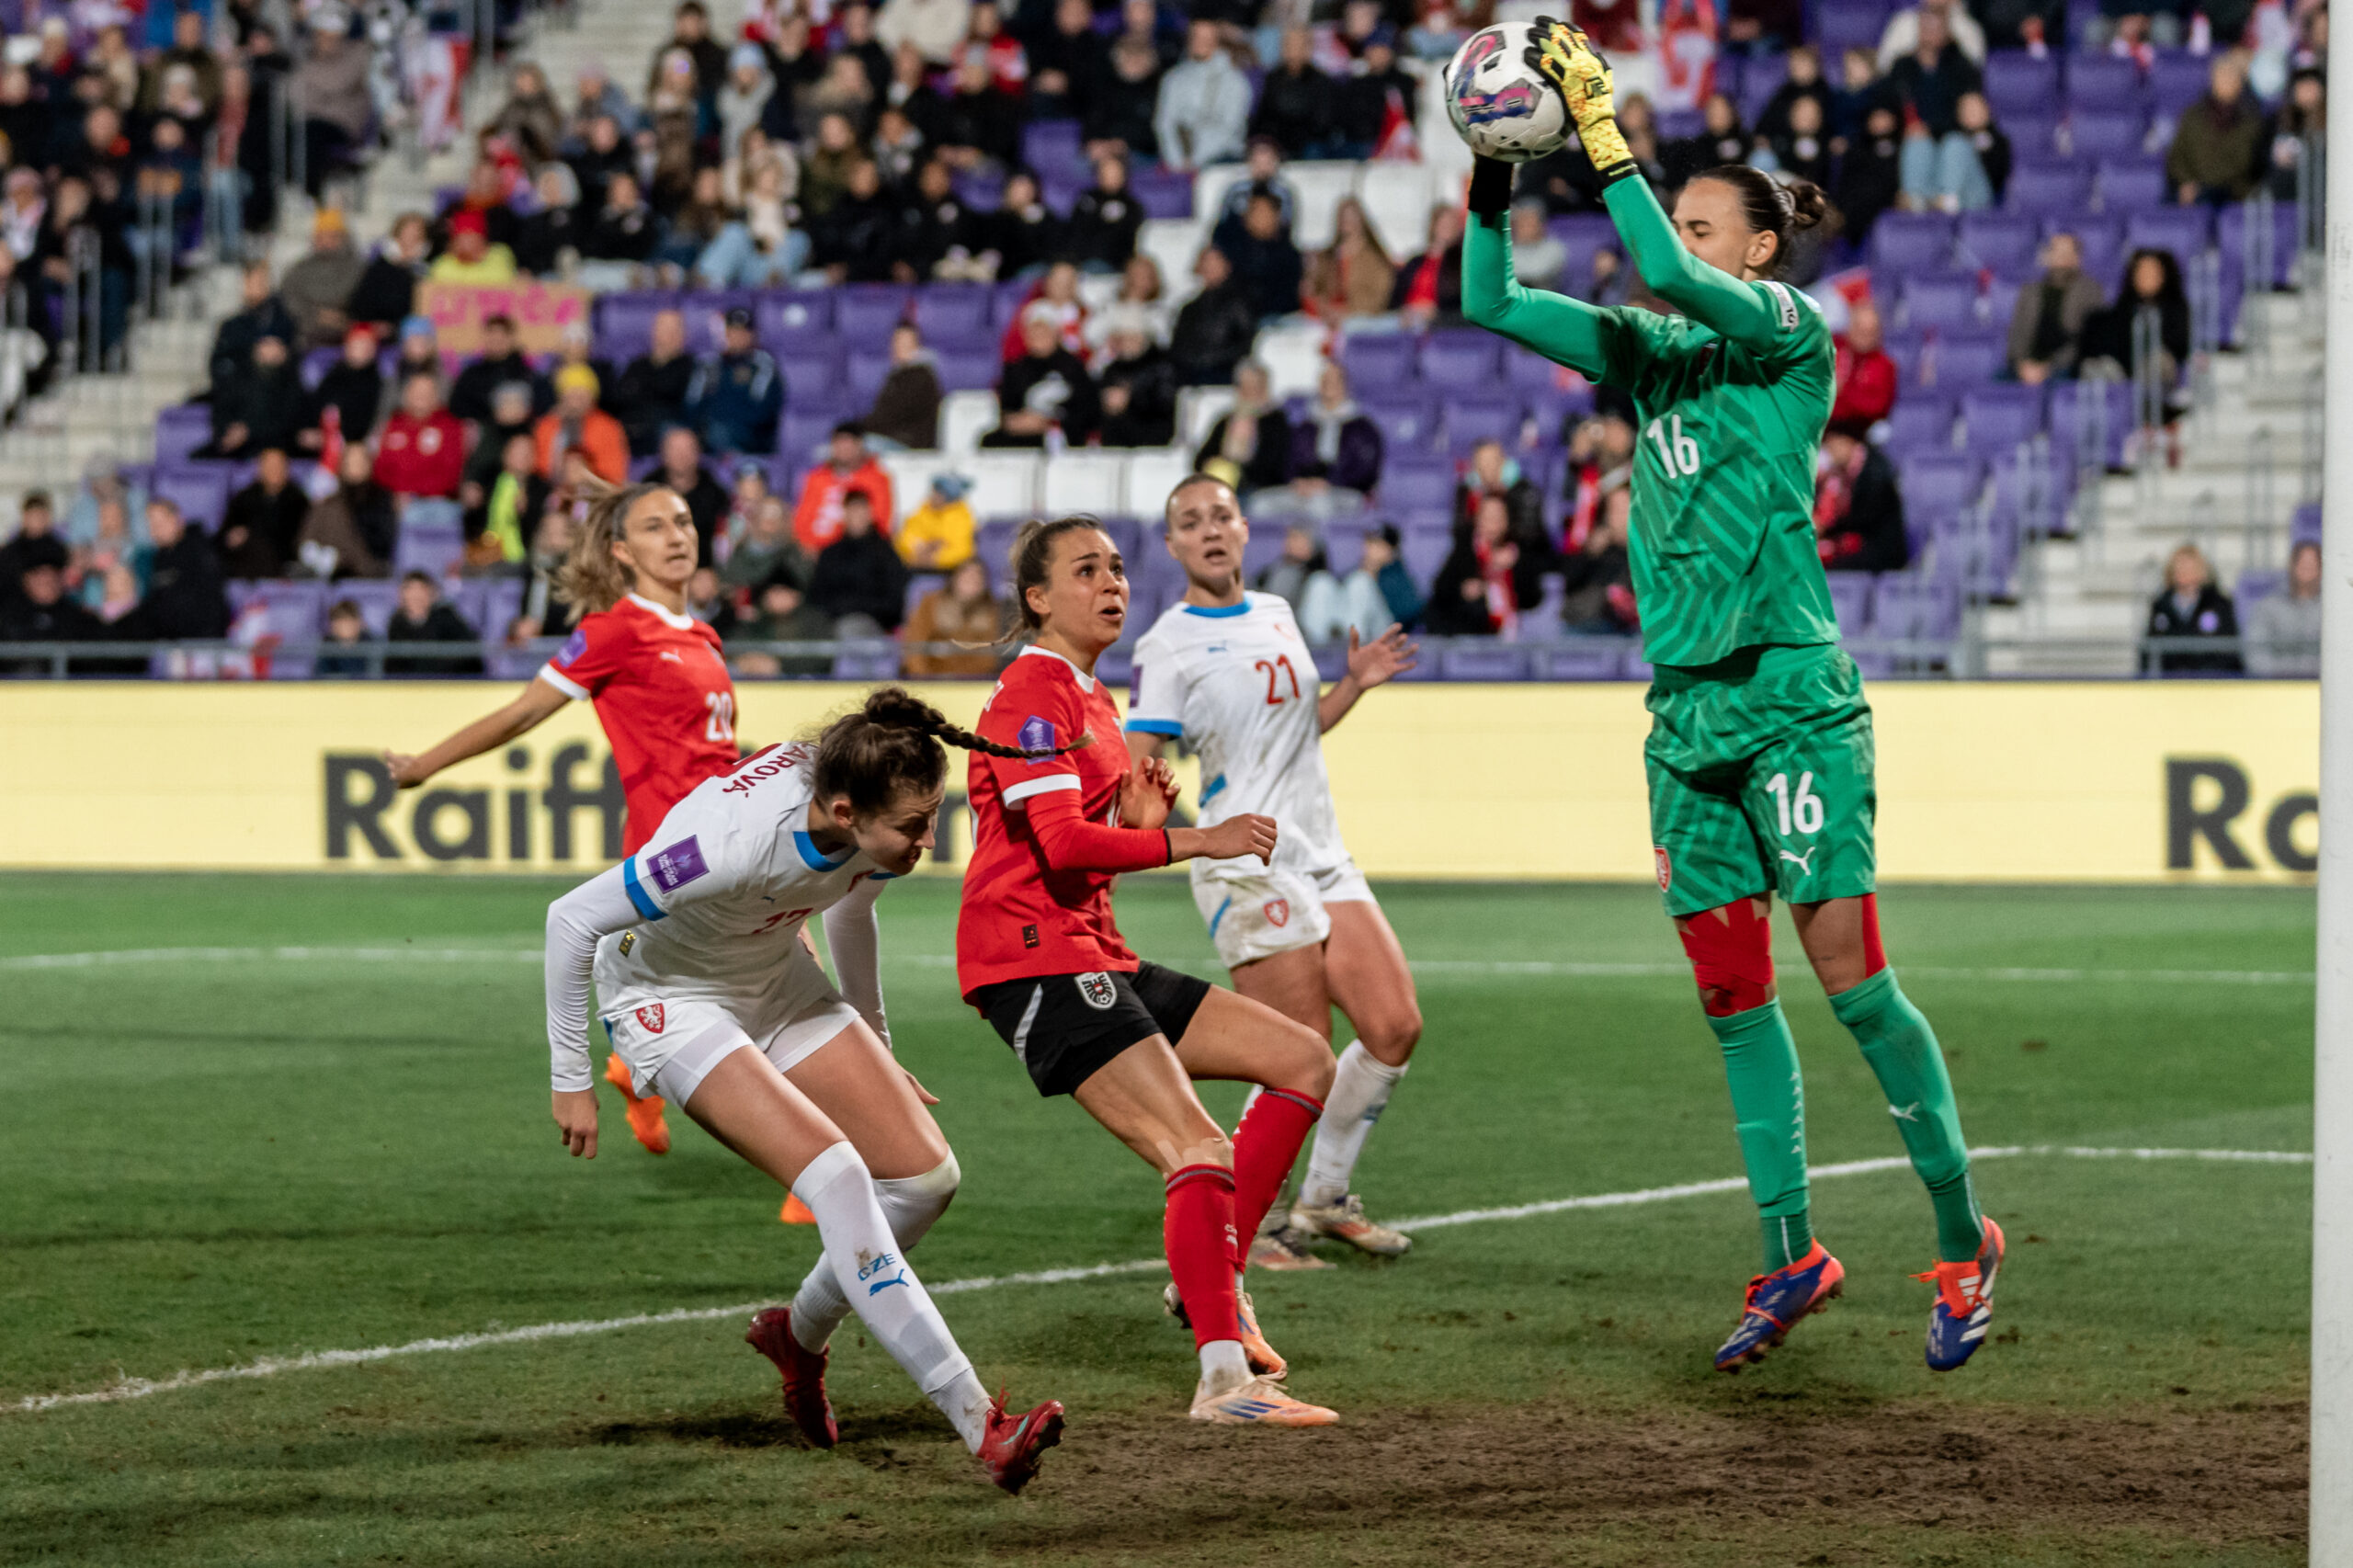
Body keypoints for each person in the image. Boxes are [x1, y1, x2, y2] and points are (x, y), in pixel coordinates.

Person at [1465, 24, 2003, 1373]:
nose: (1677, 245)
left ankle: (1962, 1234)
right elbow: (1489, 300)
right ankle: (1790, 1254)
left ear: (1757, 252)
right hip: (1686, 718)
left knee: (1855, 988)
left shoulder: (1789, 339)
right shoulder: (1647, 355)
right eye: (1679, 222)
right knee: (1732, 1000)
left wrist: (1601, 134)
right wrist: (1492, 164)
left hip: (1791, 698)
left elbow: (1655, 263)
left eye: (1704, 227)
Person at [541, 687, 1064, 1491]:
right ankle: (980, 1424)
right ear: (847, 812)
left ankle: (798, 1336)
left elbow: (850, 914)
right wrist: (571, 1079)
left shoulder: (864, 809)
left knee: (925, 1180)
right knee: (840, 1176)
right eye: (916, 825)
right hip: (668, 1000)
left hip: (775, 976)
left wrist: (876, 1045)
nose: (931, 840)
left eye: (934, 817)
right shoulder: (728, 844)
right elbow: (572, 919)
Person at [956, 516, 1342, 1426]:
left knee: (1303, 1060)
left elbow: (1081, 852)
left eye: (1118, 568)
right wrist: (1195, 838)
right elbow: (1058, 845)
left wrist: (1133, 821)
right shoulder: (1031, 695)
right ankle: (1224, 1381)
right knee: (1196, 1145)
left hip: (1091, 949)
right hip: (1031, 958)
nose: (1112, 583)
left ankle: (1217, 1275)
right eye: (1085, 570)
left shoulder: (1094, 700)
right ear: (1037, 598)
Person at [385, 481, 744, 1154]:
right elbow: (522, 712)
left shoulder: (703, 635)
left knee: (751, 998)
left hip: (734, 844)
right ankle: (823, 1182)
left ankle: (638, 1072)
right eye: (655, 527)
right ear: (621, 551)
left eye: (684, 521)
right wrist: (423, 766)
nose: (677, 536)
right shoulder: (614, 632)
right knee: (766, 1004)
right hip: (673, 856)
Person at [1127, 475, 1422, 1264]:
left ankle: (1323, 1199)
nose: (1209, 530)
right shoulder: (1168, 644)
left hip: (1321, 850)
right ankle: (1247, 1224)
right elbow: (1134, 764)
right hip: (1246, 861)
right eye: (1191, 522)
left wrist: (1353, 685)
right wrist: (1161, 822)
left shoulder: (1276, 612)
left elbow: (1296, 731)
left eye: (1220, 515)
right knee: (1295, 1048)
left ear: (1243, 528)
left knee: (1394, 1026)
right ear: (1173, 545)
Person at [981, 307, 1099, 449]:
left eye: (1044, 331)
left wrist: (1048, 422)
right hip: (1024, 433)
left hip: (1063, 433)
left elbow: (1089, 410)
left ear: (1055, 333)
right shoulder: (1015, 369)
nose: (1039, 337)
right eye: (1034, 332)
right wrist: (1020, 422)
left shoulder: (1074, 367)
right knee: (990, 441)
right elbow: (1006, 411)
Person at [2166, 51, 2266, 206]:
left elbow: (2244, 162)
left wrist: (2204, 186)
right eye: (2222, 76)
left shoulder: (2251, 120)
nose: (2226, 82)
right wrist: (2187, 182)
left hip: (2234, 194)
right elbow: (2177, 157)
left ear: (2240, 83)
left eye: (2231, 77)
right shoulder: (2193, 116)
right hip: (2194, 192)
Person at [123, 498, 229, 641]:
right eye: (151, 524)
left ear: (178, 520)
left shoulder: (200, 551)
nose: (156, 529)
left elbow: (208, 605)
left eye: (161, 523)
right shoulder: (158, 558)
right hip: (170, 642)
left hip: (200, 642)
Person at [2006, 233, 2105, 385]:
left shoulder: (2090, 291)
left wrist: (2048, 368)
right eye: (2056, 252)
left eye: (2066, 253)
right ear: (2047, 256)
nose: (2061, 258)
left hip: (2066, 366)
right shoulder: (2030, 291)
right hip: (2026, 367)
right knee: (1997, 381)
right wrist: (2021, 365)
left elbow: (2085, 339)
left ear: (2077, 258)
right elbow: (2017, 334)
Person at [1301, 522, 1423, 643]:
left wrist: (1376, 584)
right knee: (1320, 581)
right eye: (1368, 543)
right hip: (1345, 624)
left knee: (1361, 583)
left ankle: (1352, 644)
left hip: (1381, 634)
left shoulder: (1397, 574)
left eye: (1377, 545)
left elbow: (1409, 612)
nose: (1370, 549)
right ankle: (1316, 645)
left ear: (1391, 549)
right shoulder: (1357, 570)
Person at [687, 308, 786, 456]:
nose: (738, 337)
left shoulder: (764, 365)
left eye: (743, 332)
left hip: (751, 442)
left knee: (719, 432)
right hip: (707, 438)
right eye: (733, 331)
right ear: (725, 333)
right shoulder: (709, 365)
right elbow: (692, 406)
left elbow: (762, 412)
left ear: (752, 335)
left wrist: (724, 418)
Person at [1154, 20, 1249, 173]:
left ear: (1218, 42)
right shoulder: (1173, 79)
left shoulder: (1236, 82)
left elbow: (1230, 128)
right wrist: (1177, 162)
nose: (1200, 43)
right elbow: (1165, 123)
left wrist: (1196, 160)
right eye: (1195, 37)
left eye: (1206, 38)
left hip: (1222, 159)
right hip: (1179, 161)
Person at [807, 491, 910, 631]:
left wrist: (858, 608)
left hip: (873, 624)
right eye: (853, 511)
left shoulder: (885, 554)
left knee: (848, 629)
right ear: (845, 514)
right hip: (830, 621)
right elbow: (817, 597)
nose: (857, 516)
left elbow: (894, 603)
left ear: (870, 514)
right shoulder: (830, 554)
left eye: (861, 511)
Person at [1813, 425, 1909, 573]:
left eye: (1833, 443)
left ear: (1849, 441)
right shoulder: (1838, 475)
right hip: (1859, 545)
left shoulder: (1876, 471)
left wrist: (1829, 527)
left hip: (1880, 551)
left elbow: (1863, 519)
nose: (1830, 450)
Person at [297, 444, 398, 580]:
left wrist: (342, 557)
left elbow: (383, 541)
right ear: (342, 466)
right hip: (328, 570)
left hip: (367, 568)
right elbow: (306, 537)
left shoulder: (381, 499)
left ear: (369, 465)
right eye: (350, 461)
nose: (355, 466)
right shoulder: (330, 502)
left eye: (360, 461)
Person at [793, 426, 896, 556]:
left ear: (859, 446)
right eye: (839, 445)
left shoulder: (876, 479)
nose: (844, 451)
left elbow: (880, 522)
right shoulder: (817, 477)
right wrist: (805, 543)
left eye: (848, 446)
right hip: (812, 551)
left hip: (853, 551)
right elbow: (803, 516)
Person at [1194, 360, 1292, 495]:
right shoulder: (1226, 421)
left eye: (1255, 387)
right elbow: (1200, 460)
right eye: (1244, 387)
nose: (1249, 393)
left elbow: (1274, 465)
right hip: (1223, 488)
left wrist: (1238, 471)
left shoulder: (1276, 420)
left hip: (1259, 489)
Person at [2143, 541, 2242, 675]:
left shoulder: (2218, 604)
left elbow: (2230, 649)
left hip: (2211, 680)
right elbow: (2148, 650)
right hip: (2170, 680)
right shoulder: (2161, 606)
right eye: (2180, 566)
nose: (2184, 571)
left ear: (2201, 570)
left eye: (2190, 566)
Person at [1169, 247, 1258, 387]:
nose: (1210, 267)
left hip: (1224, 373)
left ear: (1227, 266)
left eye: (1216, 262)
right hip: (1191, 373)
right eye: (1206, 262)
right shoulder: (1189, 308)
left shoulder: (1240, 302)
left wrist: (1212, 359)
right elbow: (1178, 346)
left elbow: (1246, 342)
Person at [219, 449, 310, 580]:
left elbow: (301, 538)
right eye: (269, 466)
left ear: (287, 469)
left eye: (278, 466)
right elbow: (226, 533)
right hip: (248, 560)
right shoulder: (244, 498)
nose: (274, 471)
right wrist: (233, 536)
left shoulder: (299, 501)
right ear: (259, 469)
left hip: (285, 561)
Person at [1303, 198, 1395, 324]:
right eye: (1343, 217)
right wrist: (1325, 308)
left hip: (1361, 319)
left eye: (1351, 218)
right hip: (1326, 317)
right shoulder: (1328, 256)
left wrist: (1348, 312)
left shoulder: (1375, 259)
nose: (1347, 222)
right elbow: (1316, 288)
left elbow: (1379, 298)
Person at [1096, 311, 1179, 449]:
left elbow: (1165, 404)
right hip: (1116, 443)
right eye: (1121, 339)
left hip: (1152, 440)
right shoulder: (1112, 369)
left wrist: (1130, 400)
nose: (1125, 344)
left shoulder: (1162, 366)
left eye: (1131, 338)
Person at [536, 365, 631, 485]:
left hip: (595, 490)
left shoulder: (607, 428)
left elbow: (614, 474)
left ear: (592, 397)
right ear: (561, 396)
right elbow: (540, 469)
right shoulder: (546, 426)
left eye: (582, 394)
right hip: (551, 491)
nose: (577, 400)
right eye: (571, 393)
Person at [376, 374, 467, 501]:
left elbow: (451, 475)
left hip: (436, 500)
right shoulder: (394, 424)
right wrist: (398, 492)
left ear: (437, 397)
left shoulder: (450, 427)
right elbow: (381, 469)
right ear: (406, 395)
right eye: (416, 391)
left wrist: (413, 493)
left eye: (427, 392)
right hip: (394, 498)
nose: (421, 396)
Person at [903, 556, 1000, 675]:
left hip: (974, 680)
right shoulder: (931, 603)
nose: (972, 579)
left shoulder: (991, 611)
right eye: (966, 573)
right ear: (954, 577)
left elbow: (990, 657)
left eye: (978, 575)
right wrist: (922, 678)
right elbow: (915, 645)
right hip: (932, 678)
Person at [302, 325, 385, 455]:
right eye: (357, 343)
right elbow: (315, 409)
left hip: (363, 449)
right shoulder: (332, 377)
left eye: (368, 344)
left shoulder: (380, 382)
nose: (362, 349)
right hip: (328, 446)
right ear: (347, 346)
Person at [384, 571, 484, 677]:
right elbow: (394, 663)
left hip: (449, 681)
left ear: (431, 593)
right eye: (411, 590)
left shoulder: (446, 617)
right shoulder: (397, 624)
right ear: (402, 595)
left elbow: (468, 650)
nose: (416, 596)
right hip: (409, 684)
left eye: (421, 589)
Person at [2246, 541, 2321, 678]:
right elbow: (2256, 653)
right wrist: (2288, 675)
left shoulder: (2333, 611)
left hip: (2321, 684)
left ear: (2321, 569)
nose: (2307, 569)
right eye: (2303, 564)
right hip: (2275, 685)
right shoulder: (2268, 606)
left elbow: (2341, 656)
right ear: (2292, 565)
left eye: (2312, 564)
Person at [862, 324, 943, 449]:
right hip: (893, 438)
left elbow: (890, 417)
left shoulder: (921, 378)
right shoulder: (897, 376)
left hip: (911, 445)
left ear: (917, 346)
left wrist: (858, 430)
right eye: (897, 342)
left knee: (858, 448)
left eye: (907, 343)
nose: (900, 347)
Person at [1063, 156, 1145, 274]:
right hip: (1081, 262)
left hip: (1115, 264)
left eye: (1116, 173)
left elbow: (1125, 239)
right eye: (1106, 172)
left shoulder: (1131, 205)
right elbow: (1077, 231)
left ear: (1124, 176)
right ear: (1098, 175)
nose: (1111, 177)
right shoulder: (1086, 199)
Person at [1831, 299, 1898, 426]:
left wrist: (1844, 391)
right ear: (1849, 328)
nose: (1864, 337)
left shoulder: (1884, 365)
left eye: (1870, 332)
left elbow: (1876, 407)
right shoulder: (1830, 348)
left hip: (1858, 428)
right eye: (1860, 329)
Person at [896, 472, 975, 571]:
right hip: (914, 567)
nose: (934, 496)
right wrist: (917, 549)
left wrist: (936, 559)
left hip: (947, 572)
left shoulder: (962, 517)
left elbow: (962, 551)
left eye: (939, 493)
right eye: (934, 491)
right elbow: (904, 539)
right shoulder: (923, 511)